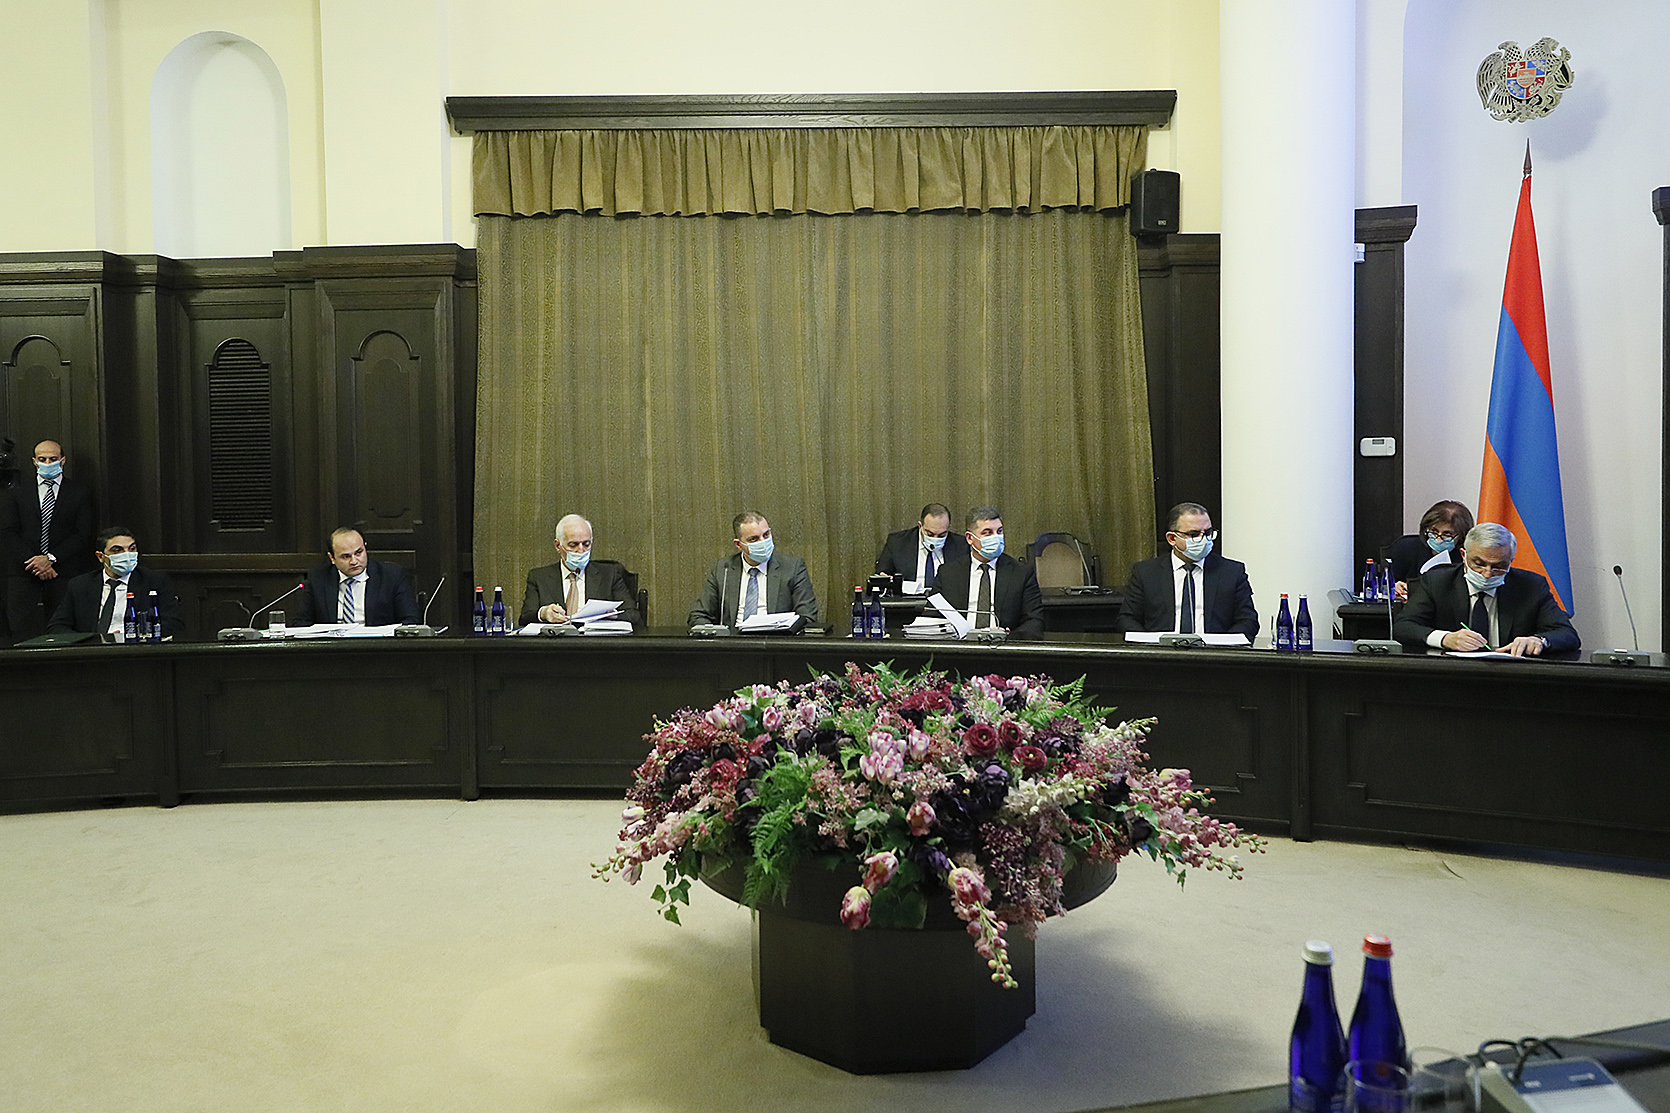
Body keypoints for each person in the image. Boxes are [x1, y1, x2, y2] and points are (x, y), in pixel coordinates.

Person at [1393, 522, 1578, 657]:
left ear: (1511, 561)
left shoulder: (1531, 585)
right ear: (1464, 556)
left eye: (1499, 566)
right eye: (1479, 563)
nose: (1487, 573)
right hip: (1451, 674)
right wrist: (1445, 638)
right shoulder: (1438, 581)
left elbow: (1567, 634)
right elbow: (1403, 626)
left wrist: (1539, 640)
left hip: (1513, 678)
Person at [1116, 501, 1259, 639]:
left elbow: (1248, 621)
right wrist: (1150, 646)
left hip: (1214, 652)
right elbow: (1127, 619)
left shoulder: (1231, 572)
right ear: (1172, 538)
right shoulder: (1146, 572)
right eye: (1194, 534)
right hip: (1161, 652)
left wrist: (1222, 646)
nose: (1204, 540)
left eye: (1208, 533)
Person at [1, 439, 96, 641]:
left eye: (53, 459)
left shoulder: (79, 492)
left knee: (63, 629)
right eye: (42, 459)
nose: (47, 463)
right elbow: (9, 532)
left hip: (63, 570)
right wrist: (35, 561)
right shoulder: (17, 492)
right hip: (24, 570)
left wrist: (50, 558)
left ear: (63, 460)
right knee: (18, 631)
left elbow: (81, 535)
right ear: (34, 461)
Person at [48, 525, 184, 640]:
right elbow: (57, 626)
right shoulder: (80, 585)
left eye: (132, 549)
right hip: (92, 652)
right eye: (117, 550)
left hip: (136, 649)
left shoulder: (154, 581)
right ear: (101, 557)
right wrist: (90, 641)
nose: (127, 555)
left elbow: (173, 622)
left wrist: (131, 635)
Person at [687, 510, 818, 628]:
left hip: (774, 640)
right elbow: (698, 615)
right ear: (738, 544)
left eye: (766, 535)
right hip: (733, 641)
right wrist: (717, 635)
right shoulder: (723, 569)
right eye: (754, 539)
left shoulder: (792, 567)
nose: (763, 542)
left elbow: (807, 616)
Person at [933, 505, 1044, 637]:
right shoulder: (948, 573)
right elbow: (931, 616)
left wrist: (1008, 637)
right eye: (987, 533)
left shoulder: (1021, 573)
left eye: (999, 531)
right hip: (959, 644)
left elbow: (1035, 620)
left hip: (1003, 645)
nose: (996, 538)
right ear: (969, 538)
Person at [518, 514, 642, 629]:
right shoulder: (539, 577)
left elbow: (634, 616)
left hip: (595, 642)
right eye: (573, 545)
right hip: (556, 642)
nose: (581, 550)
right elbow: (524, 618)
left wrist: (613, 615)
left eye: (586, 544)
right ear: (558, 546)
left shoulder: (610, 574)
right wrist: (543, 613)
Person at [295, 527, 421, 626]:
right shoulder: (317, 579)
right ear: (332, 558)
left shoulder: (391, 576)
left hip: (378, 647)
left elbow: (411, 620)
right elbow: (301, 622)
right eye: (346, 556)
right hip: (332, 648)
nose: (354, 561)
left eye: (359, 552)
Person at [1386, 499, 1473, 599]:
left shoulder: (1466, 557)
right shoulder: (1406, 547)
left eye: (1447, 534)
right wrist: (1395, 586)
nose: (1438, 539)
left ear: (1461, 536)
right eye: (1434, 531)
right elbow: (1387, 582)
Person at [874, 503, 970, 592]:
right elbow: (882, 574)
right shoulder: (898, 543)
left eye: (942, 535)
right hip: (908, 601)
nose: (935, 539)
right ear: (920, 526)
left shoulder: (962, 545)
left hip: (945, 601)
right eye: (930, 534)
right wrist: (886, 579)